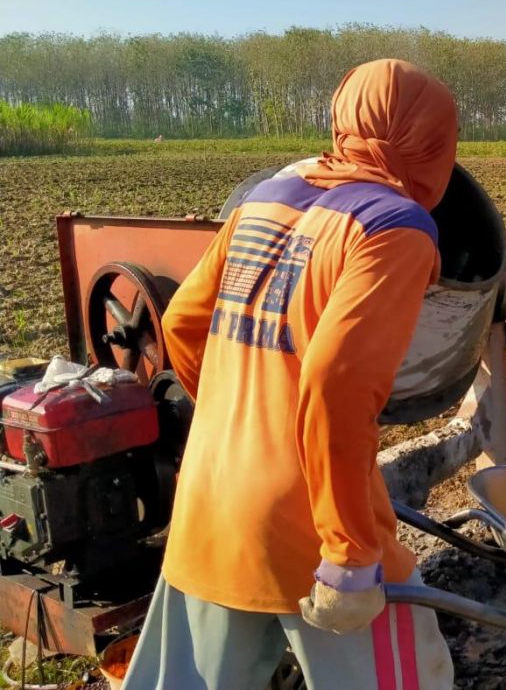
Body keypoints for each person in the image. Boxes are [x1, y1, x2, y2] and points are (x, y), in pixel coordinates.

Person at [122, 59, 457, 689]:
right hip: (312, 525)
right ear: (433, 142)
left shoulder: (266, 198)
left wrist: (239, 420)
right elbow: (338, 384)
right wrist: (351, 554)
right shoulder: (396, 228)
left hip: (211, 499)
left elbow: (184, 324)